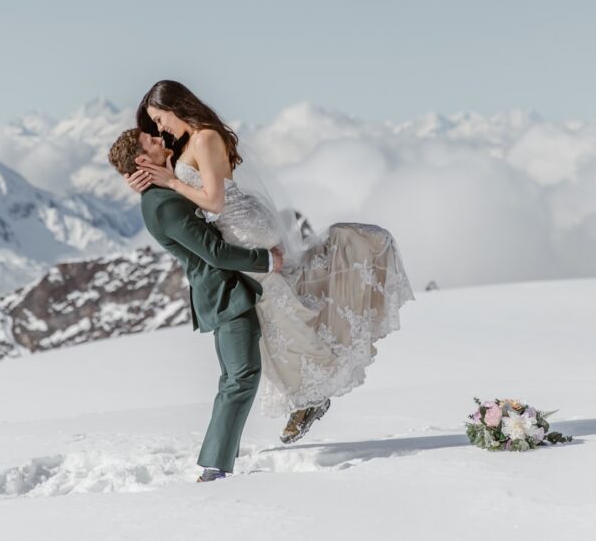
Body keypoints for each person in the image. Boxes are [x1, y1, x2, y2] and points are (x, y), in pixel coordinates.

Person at [123, 80, 416, 445]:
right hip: (240, 227)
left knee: (284, 315)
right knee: (282, 315)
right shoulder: (190, 141)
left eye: (160, 118)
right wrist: (152, 182)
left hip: (242, 229)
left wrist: (170, 181)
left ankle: (312, 395)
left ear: (177, 106)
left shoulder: (204, 137)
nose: (160, 128)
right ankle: (308, 397)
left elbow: (212, 203)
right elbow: (188, 185)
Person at [108, 129, 283, 482]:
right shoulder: (164, 203)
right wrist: (267, 261)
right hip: (224, 291)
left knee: (232, 377)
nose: (160, 138)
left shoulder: (161, 192)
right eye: (152, 141)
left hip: (222, 290)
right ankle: (214, 467)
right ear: (143, 161)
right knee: (242, 376)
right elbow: (215, 253)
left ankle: (220, 456)